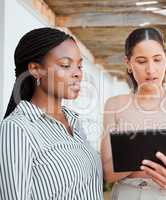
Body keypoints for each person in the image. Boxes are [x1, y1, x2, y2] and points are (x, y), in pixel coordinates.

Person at [101, 27, 166, 200]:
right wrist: (146, 150)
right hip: (129, 195)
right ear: (128, 63)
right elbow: (107, 172)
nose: (151, 70)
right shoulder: (114, 105)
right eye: (141, 61)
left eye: (157, 60)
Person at [0, 27, 103, 200]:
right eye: (65, 65)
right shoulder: (17, 128)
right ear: (35, 69)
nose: (78, 73)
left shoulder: (74, 123)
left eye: (79, 66)